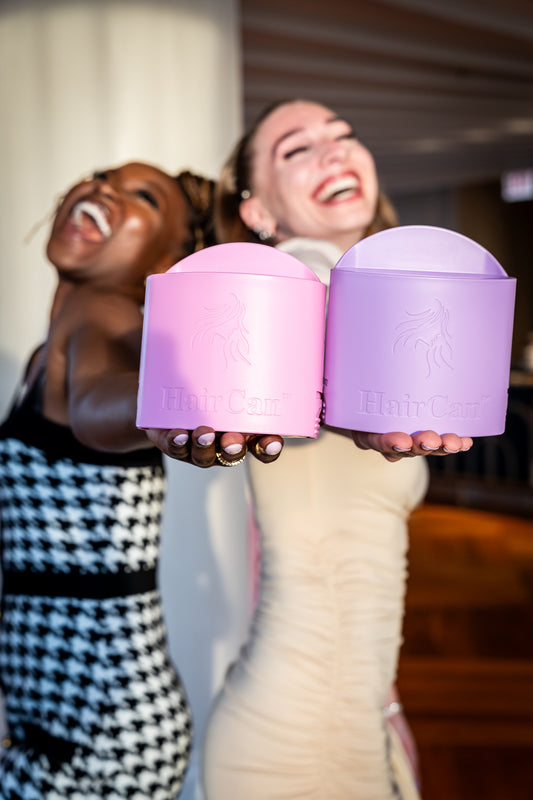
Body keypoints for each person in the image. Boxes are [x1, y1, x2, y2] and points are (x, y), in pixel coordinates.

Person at [199, 100, 473, 800]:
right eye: (296, 149)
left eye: (343, 135)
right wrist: (356, 411)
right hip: (294, 742)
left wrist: (384, 707)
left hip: (351, 716)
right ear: (257, 210)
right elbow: (307, 341)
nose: (334, 152)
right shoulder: (298, 277)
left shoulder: (369, 295)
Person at [0, 160, 281, 800]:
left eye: (144, 198)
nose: (105, 189)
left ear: (166, 261)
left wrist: (163, 407)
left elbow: (98, 403)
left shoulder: (103, 316)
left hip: (105, 733)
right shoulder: (56, 342)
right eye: (103, 176)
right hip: (69, 715)